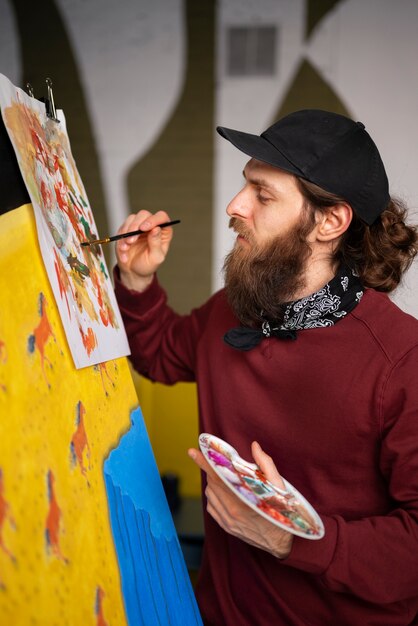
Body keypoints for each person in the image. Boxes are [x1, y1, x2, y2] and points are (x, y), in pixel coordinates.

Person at [113, 109, 418, 626]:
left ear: (330, 221)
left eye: (263, 193)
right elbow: (161, 354)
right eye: (244, 185)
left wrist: (292, 538)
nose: (234, 206)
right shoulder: (232, 308)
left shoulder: (402, 359)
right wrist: (137, 282)